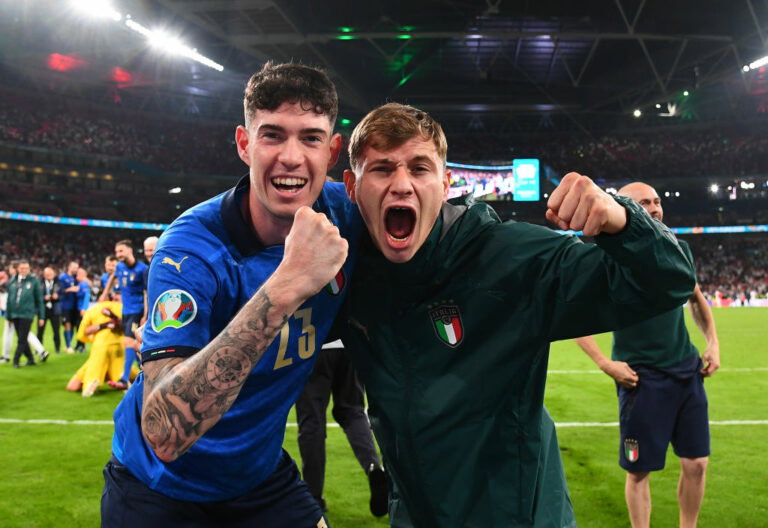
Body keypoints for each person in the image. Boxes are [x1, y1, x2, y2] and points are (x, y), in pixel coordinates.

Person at [338, 103, 697, 527]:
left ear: (445, 182)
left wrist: (623, 220)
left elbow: (669, 282)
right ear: (351, 185)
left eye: (419, 168)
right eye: (381, 169)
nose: (401, 184)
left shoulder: (510, 258)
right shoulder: (347, 272)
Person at [102, 62, 361, 527]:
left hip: (258, 478)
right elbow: (163, 431)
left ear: (332, 150)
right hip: (157, 486)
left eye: (310, 138)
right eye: (272, 135)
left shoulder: (344, 216)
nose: (291, 157)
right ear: (244, 144)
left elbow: (430, 217)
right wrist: (285, 285)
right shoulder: (190, 249)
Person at [573, 182, 720, 528]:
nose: (654, 208)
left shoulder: (677, 249)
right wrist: (605, 362)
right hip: (641, 377)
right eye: (644, 203)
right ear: (626, 207)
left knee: (697, 462)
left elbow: (696, 298)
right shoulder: (608, 257)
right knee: (639, 471)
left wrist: (712, 342)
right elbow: (574, 319)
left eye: (656, 201)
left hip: (687, 371)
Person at [295, 339, 387, 516]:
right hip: (347, 344)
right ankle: (373, 466)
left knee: (312, 422)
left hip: (310, 347)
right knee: (353, 411)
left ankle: (313, 498)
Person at [67, 291, 138, 397]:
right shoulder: (125, 309)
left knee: (77, 383)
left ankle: (91, 383)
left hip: (100, 349)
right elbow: (132, 329)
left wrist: (106, 323)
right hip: (118, 350)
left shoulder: (93, 310)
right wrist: (109, 324)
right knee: (132, 375)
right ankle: (125, 382)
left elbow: (82, 333)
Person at [106, 240, 147, 390]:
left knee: (128, 342)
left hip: (137, 310)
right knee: (134, 345)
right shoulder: (120, 266)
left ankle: (124, 379)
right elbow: (113, 278)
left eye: (121, 251)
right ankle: (146, 375)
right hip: (126, 311)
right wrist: (105, 293)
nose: (118, 255)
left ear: (130, 250)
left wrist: (145, 314)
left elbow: (145, 292)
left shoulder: (142, 269)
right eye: (117, 252)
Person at [1, 260, 48, 363]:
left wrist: (41, 316)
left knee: (22, 338)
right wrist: (8, 316)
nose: (24, 270)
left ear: (29, 269)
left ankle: (16, 360)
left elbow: (39, 300)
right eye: (22, 268)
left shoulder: (34, 281)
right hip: (15, 314)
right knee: (23, 336)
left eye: (26, 268)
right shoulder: (13, 281)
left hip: (27, 314)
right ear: (18, 269)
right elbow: (9, 300)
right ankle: (31, 359)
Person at [37, 266, 62, 354]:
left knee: (56, 331)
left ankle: (57, 349)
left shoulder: (58, 283)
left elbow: (62, 294)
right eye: (47, 274)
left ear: (54, 274)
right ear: (44, 275)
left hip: (54, 310)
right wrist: (43, 297)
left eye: (51, 274)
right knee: (40, 331)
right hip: (43, 310)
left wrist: (57, 296)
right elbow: (36, 296)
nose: (49, 276)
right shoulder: (39, 283)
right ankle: (39, 349)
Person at [59, 260, 81, 354]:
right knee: (67, 324)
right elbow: (60, 290)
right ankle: (68, 346)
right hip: (65, 305)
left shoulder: (77, 278)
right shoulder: (62, 277)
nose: (76, 269)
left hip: (75, 305)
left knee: (73, 325)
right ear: (69, 267)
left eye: (77, 267)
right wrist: (70, 289)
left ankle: (69, 344)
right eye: (74, 267)